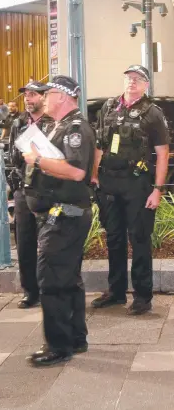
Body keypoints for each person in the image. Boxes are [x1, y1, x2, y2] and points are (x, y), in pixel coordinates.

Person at [23, 75, 95, 366]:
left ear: (63, 97)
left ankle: (58, 346)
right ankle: (76, 338)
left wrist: (37, 160)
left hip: (66, 213)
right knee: (69, 278)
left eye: (48, 93)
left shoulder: (75, 128)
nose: (43, 98)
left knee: (51, 279)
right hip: (63, 211)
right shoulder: (59, 126)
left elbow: (77, 172)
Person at [91, 65, 170, 315]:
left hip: (137, 184)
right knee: (114, 239)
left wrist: (157, 189)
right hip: (109, 182)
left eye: (138, 79)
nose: (132, 83)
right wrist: (94, 175)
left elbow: (162, 153)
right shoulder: (109, 107)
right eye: (128, 78)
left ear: (146, 85)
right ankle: (115, 292)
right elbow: (100, 144)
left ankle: (142, 296)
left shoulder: (153, 113)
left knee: (139, 239)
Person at [9, 81, 55, 309]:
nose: (28, 99)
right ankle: (30, 291)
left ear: (44, 97)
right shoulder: (18, 122)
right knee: (24, 242)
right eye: (26, 95)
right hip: (23, 189)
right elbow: (12, 156)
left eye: (33, 94)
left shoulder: (54, 122)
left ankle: (50, 289)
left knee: (50, 243)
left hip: (47, 190)